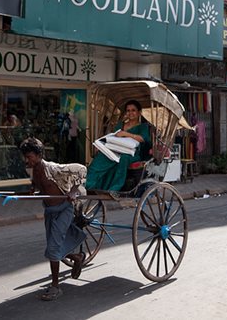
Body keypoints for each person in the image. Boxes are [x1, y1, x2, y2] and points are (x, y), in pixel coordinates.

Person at [19, 137, 86, 301]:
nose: (27, 160)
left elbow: (82, 169)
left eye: (30, 156)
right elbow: (36, 183)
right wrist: (32, 190)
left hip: (64, 209)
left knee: (53, 248)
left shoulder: (53, 169)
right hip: (49, 211)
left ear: (39, 154)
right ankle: (76, 257)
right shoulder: (31, 169)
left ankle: (55, 287)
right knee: (53, 247)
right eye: (25, 157)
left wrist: (74, 191)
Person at [85, 100, 151, 191]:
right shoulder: (121, 125)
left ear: (139, 112)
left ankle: (114, 189)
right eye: (128, 111)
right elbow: (113, 138)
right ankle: (88, 185)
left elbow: (143, 139)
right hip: (116, 150)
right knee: (100, 158)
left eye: (133, 110)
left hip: (132, 154)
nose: (130, 113)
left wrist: (126, 134)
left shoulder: (143, 126)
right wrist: (102, 147)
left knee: (123, 159)